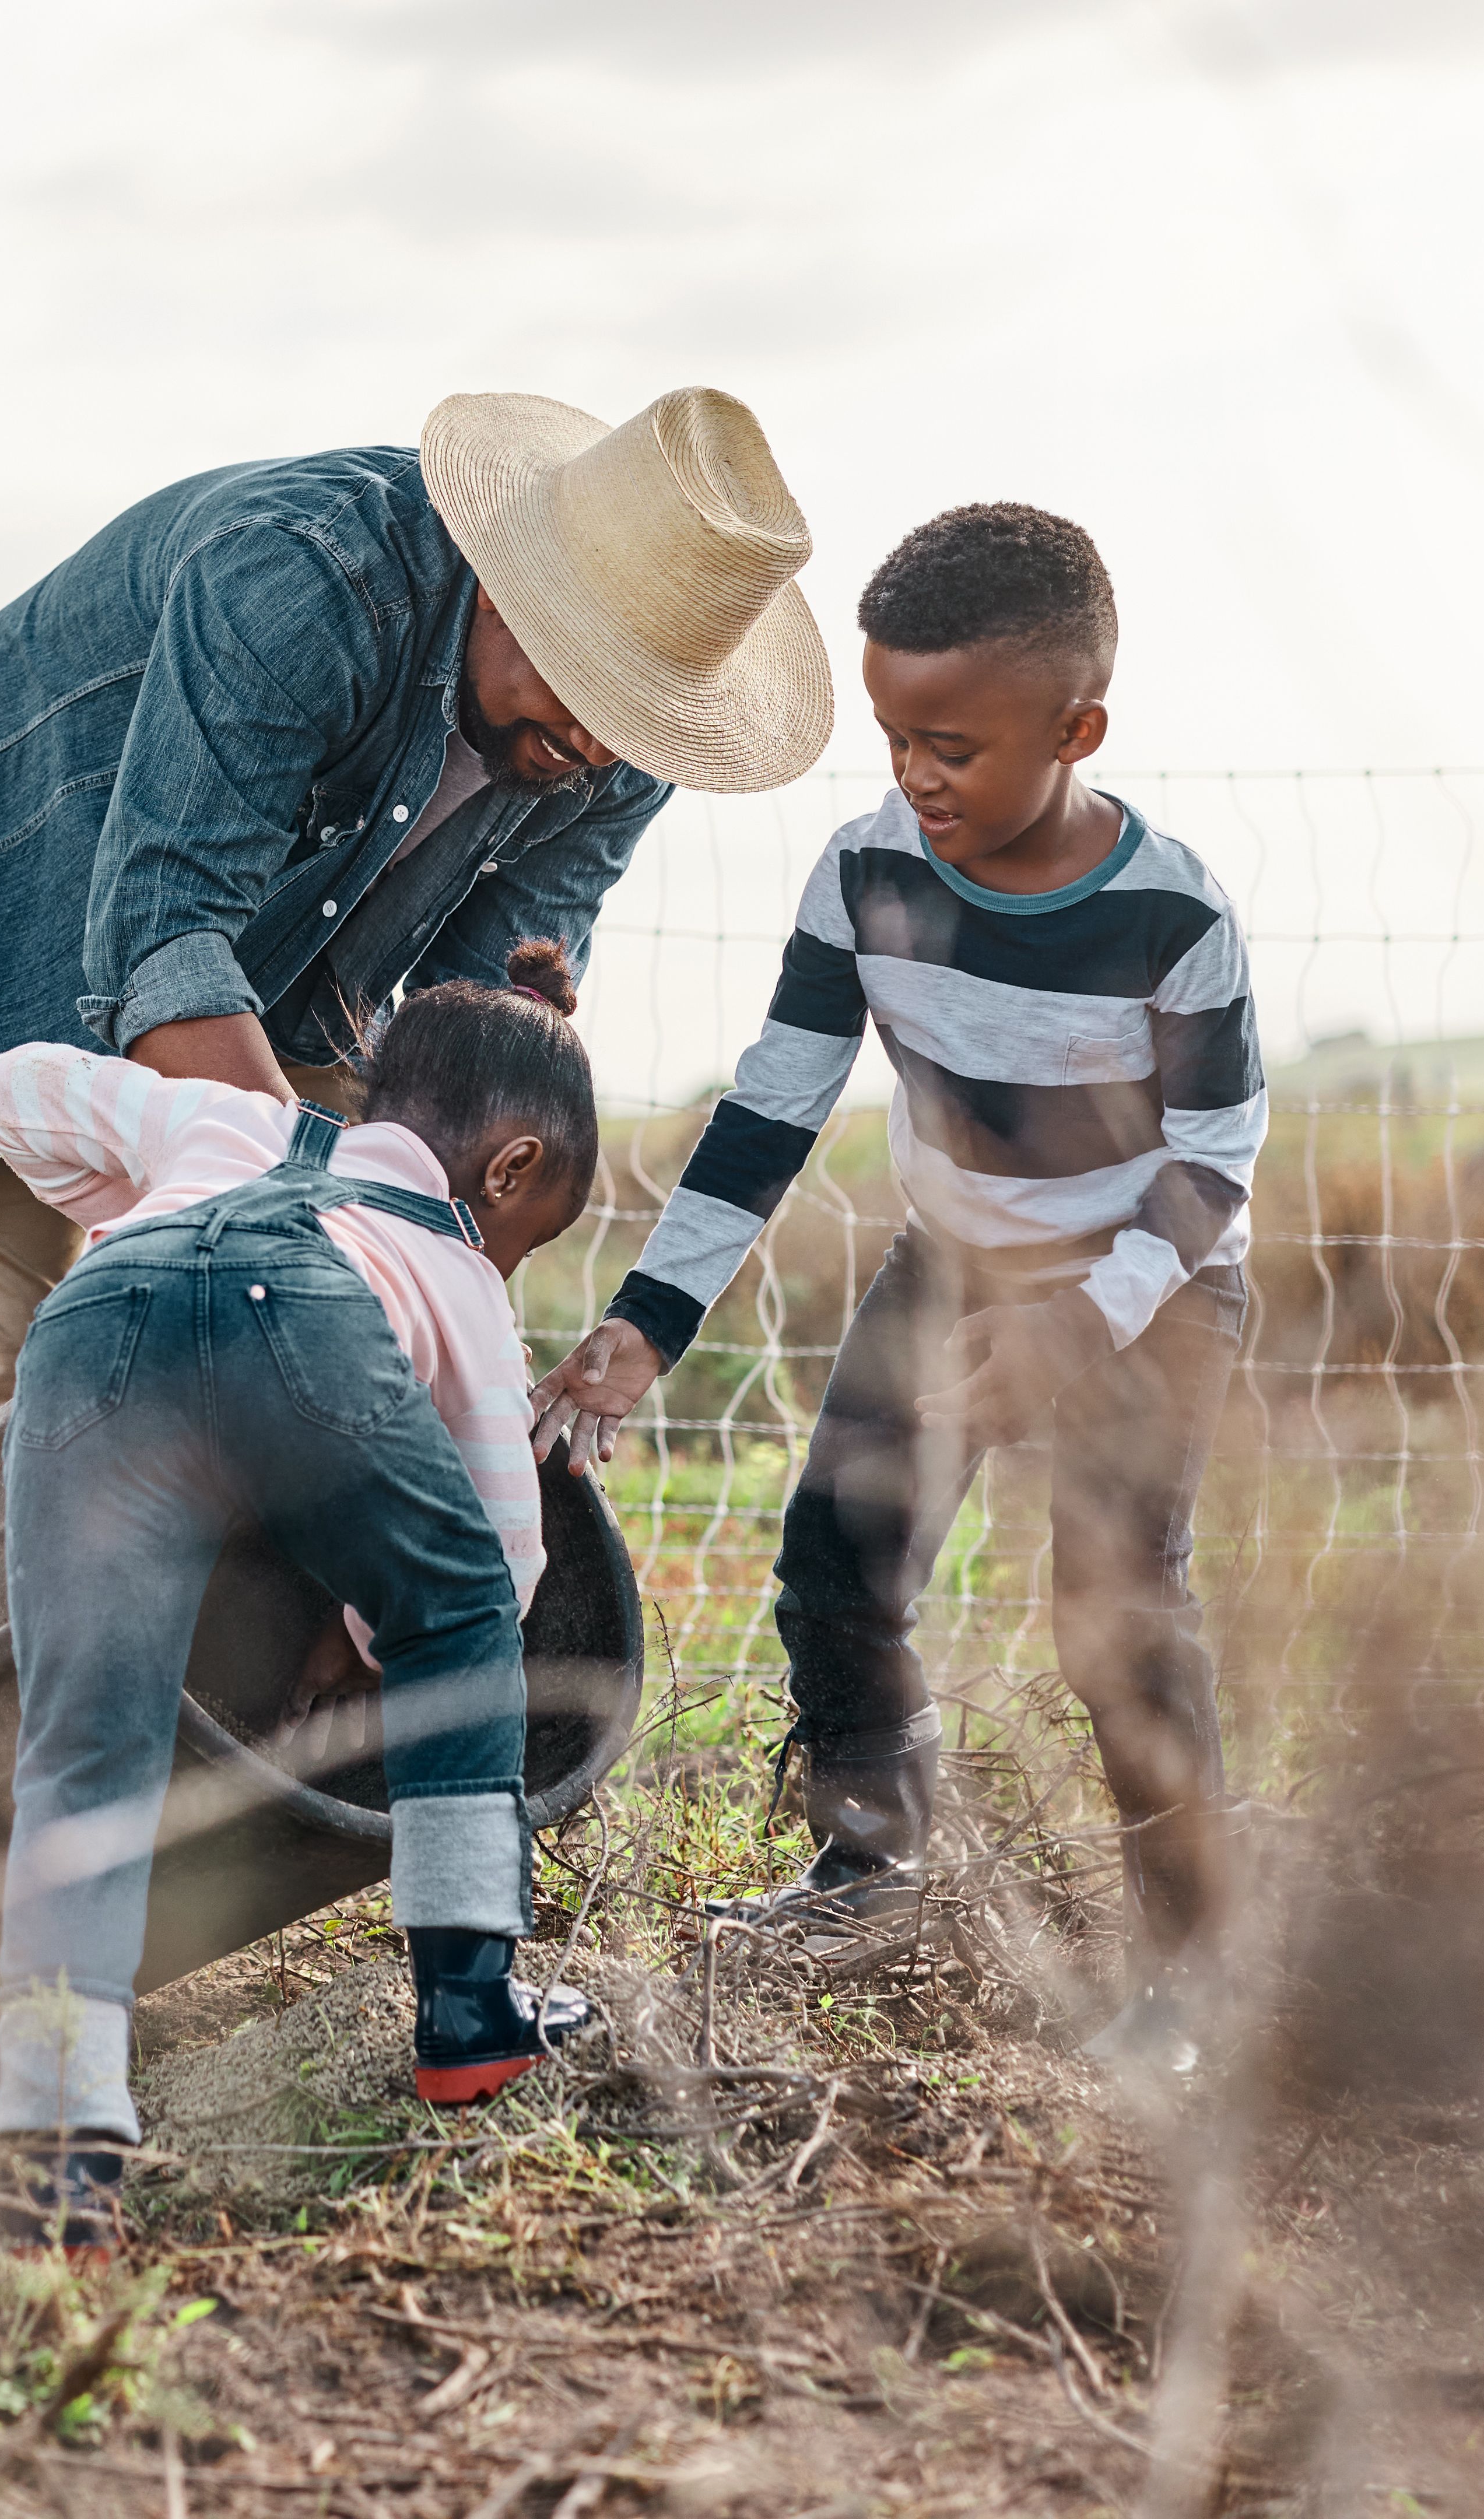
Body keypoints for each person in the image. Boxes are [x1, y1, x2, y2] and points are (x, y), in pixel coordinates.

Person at [528, 505, 1263, 2055]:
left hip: (1152, 1280)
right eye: (892, 737)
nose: (914, 775)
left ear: (1075, 732)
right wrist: (650, 1324)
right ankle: (873, 1866)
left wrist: (1075, 1329)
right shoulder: (865, 873)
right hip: (957, 1259)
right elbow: (771, 1110)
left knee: (1114, 1616)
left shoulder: (1176, 914)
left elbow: (1214, 1163)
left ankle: (1192, 1969)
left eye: (953, 747)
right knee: (836, 1558)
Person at [0, 388, 834, 1529]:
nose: (601, 741)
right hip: (21, 877)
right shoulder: (306, 576)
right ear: (509, 588)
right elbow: (163, 927)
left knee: (284, 1390)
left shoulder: (618, 753)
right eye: (590, 682)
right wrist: (331, 1233)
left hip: (292, 973)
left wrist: (439, 1298)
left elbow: (476, 1036)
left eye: (642, 708)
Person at [0, 945, 605, 2247]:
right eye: (528, 1240)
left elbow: (6, 1089)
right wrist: (364, 1633)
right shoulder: (457, 1273)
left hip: (95, 1325)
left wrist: (139, 1198)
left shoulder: (223, 1122)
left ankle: (58, 2159)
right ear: (510, 1172)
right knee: (461, 1609)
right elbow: (502, 1558)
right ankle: (470, 2011)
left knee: (88, 1743)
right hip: (308, 1320)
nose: (510, 1262)